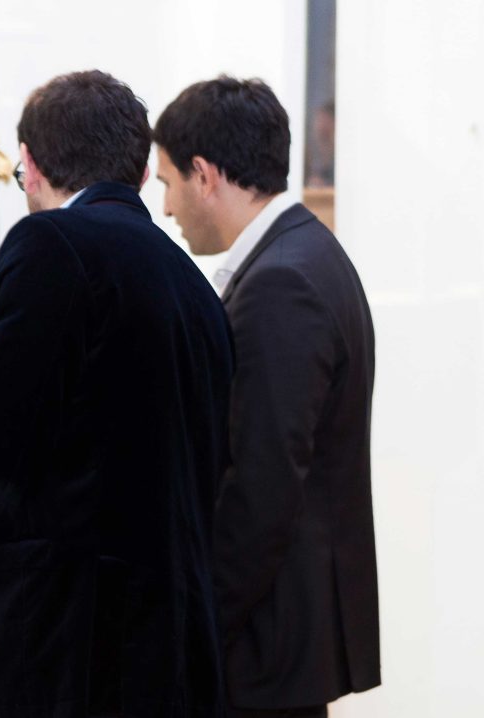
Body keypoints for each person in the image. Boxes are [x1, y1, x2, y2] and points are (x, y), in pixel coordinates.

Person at [0, 70, 234, 718]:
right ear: (134, 169)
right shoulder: (194, 287)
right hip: (177, 662)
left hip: (79, 664)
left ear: (32, 166)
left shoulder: (53, 247)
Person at [154, 77, 379, 718]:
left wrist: (201, 628)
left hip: (265, 640)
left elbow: (264, 484)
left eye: (168, 183)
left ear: (204, 175)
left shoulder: (282, 280)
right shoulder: (304, 253)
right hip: (278, 632)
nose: (167, 208)